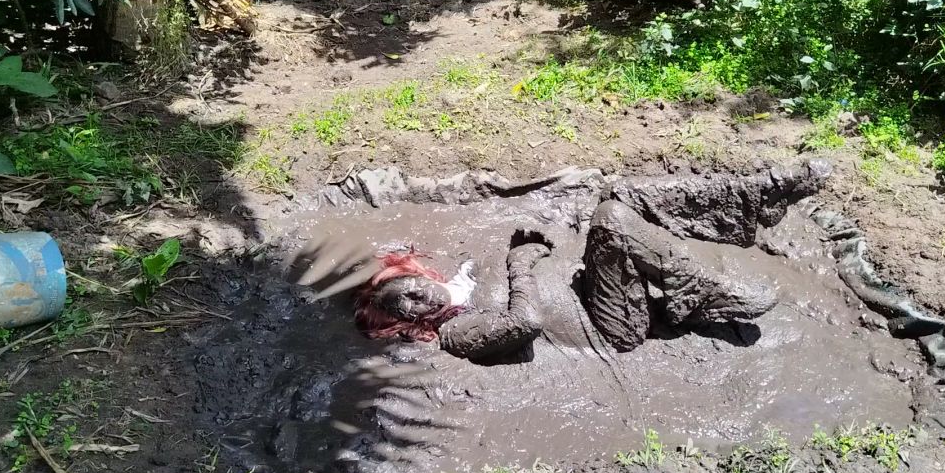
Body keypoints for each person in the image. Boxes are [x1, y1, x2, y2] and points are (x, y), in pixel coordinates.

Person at [300, 159, 831, 361]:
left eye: (412, 286)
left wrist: (546, 239)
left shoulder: (461, 276)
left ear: (417, 273)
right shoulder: (454, 333)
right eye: (409, 306)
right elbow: (526, 322)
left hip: (592, 281)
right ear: (409, 325)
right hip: (610, 325)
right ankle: (709, 297)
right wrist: (520, 262)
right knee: (613, 219)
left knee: (617, 201)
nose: (420, 297)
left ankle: (752, 197)